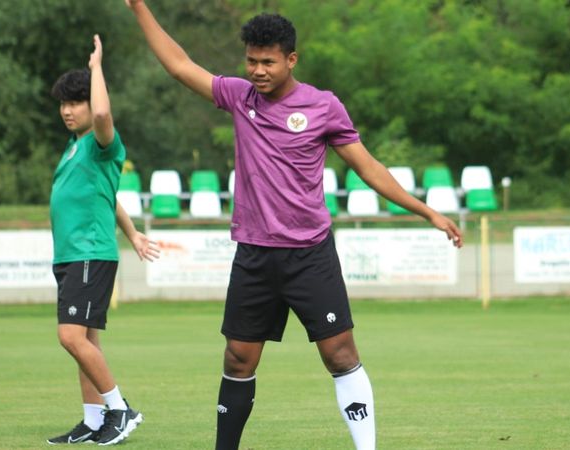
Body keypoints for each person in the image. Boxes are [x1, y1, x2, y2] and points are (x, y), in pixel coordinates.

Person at [126, 2, 464, 449]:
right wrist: (138, 7)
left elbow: (369, 168)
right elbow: (178, 65)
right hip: (254, 254)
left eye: (268, 61)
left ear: (291, 59)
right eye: (251, 60)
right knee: (238, 358)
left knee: (340, 355)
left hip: (310, 254)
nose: (258, 71)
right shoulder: (238, 96)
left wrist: (428, 212)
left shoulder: (323, 106)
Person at [46, 34, 160, 446]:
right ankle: (94, 420)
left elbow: (104, 113)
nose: (67, 110)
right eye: (63, 103)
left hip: (90, 253)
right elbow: (107, 199)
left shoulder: (100, 143)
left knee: (70, 337)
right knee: (84, 342)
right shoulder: (75, 148)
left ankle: (120, 410)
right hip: (72, 255)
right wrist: (132, 232)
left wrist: (96, 69)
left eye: (75, 102)